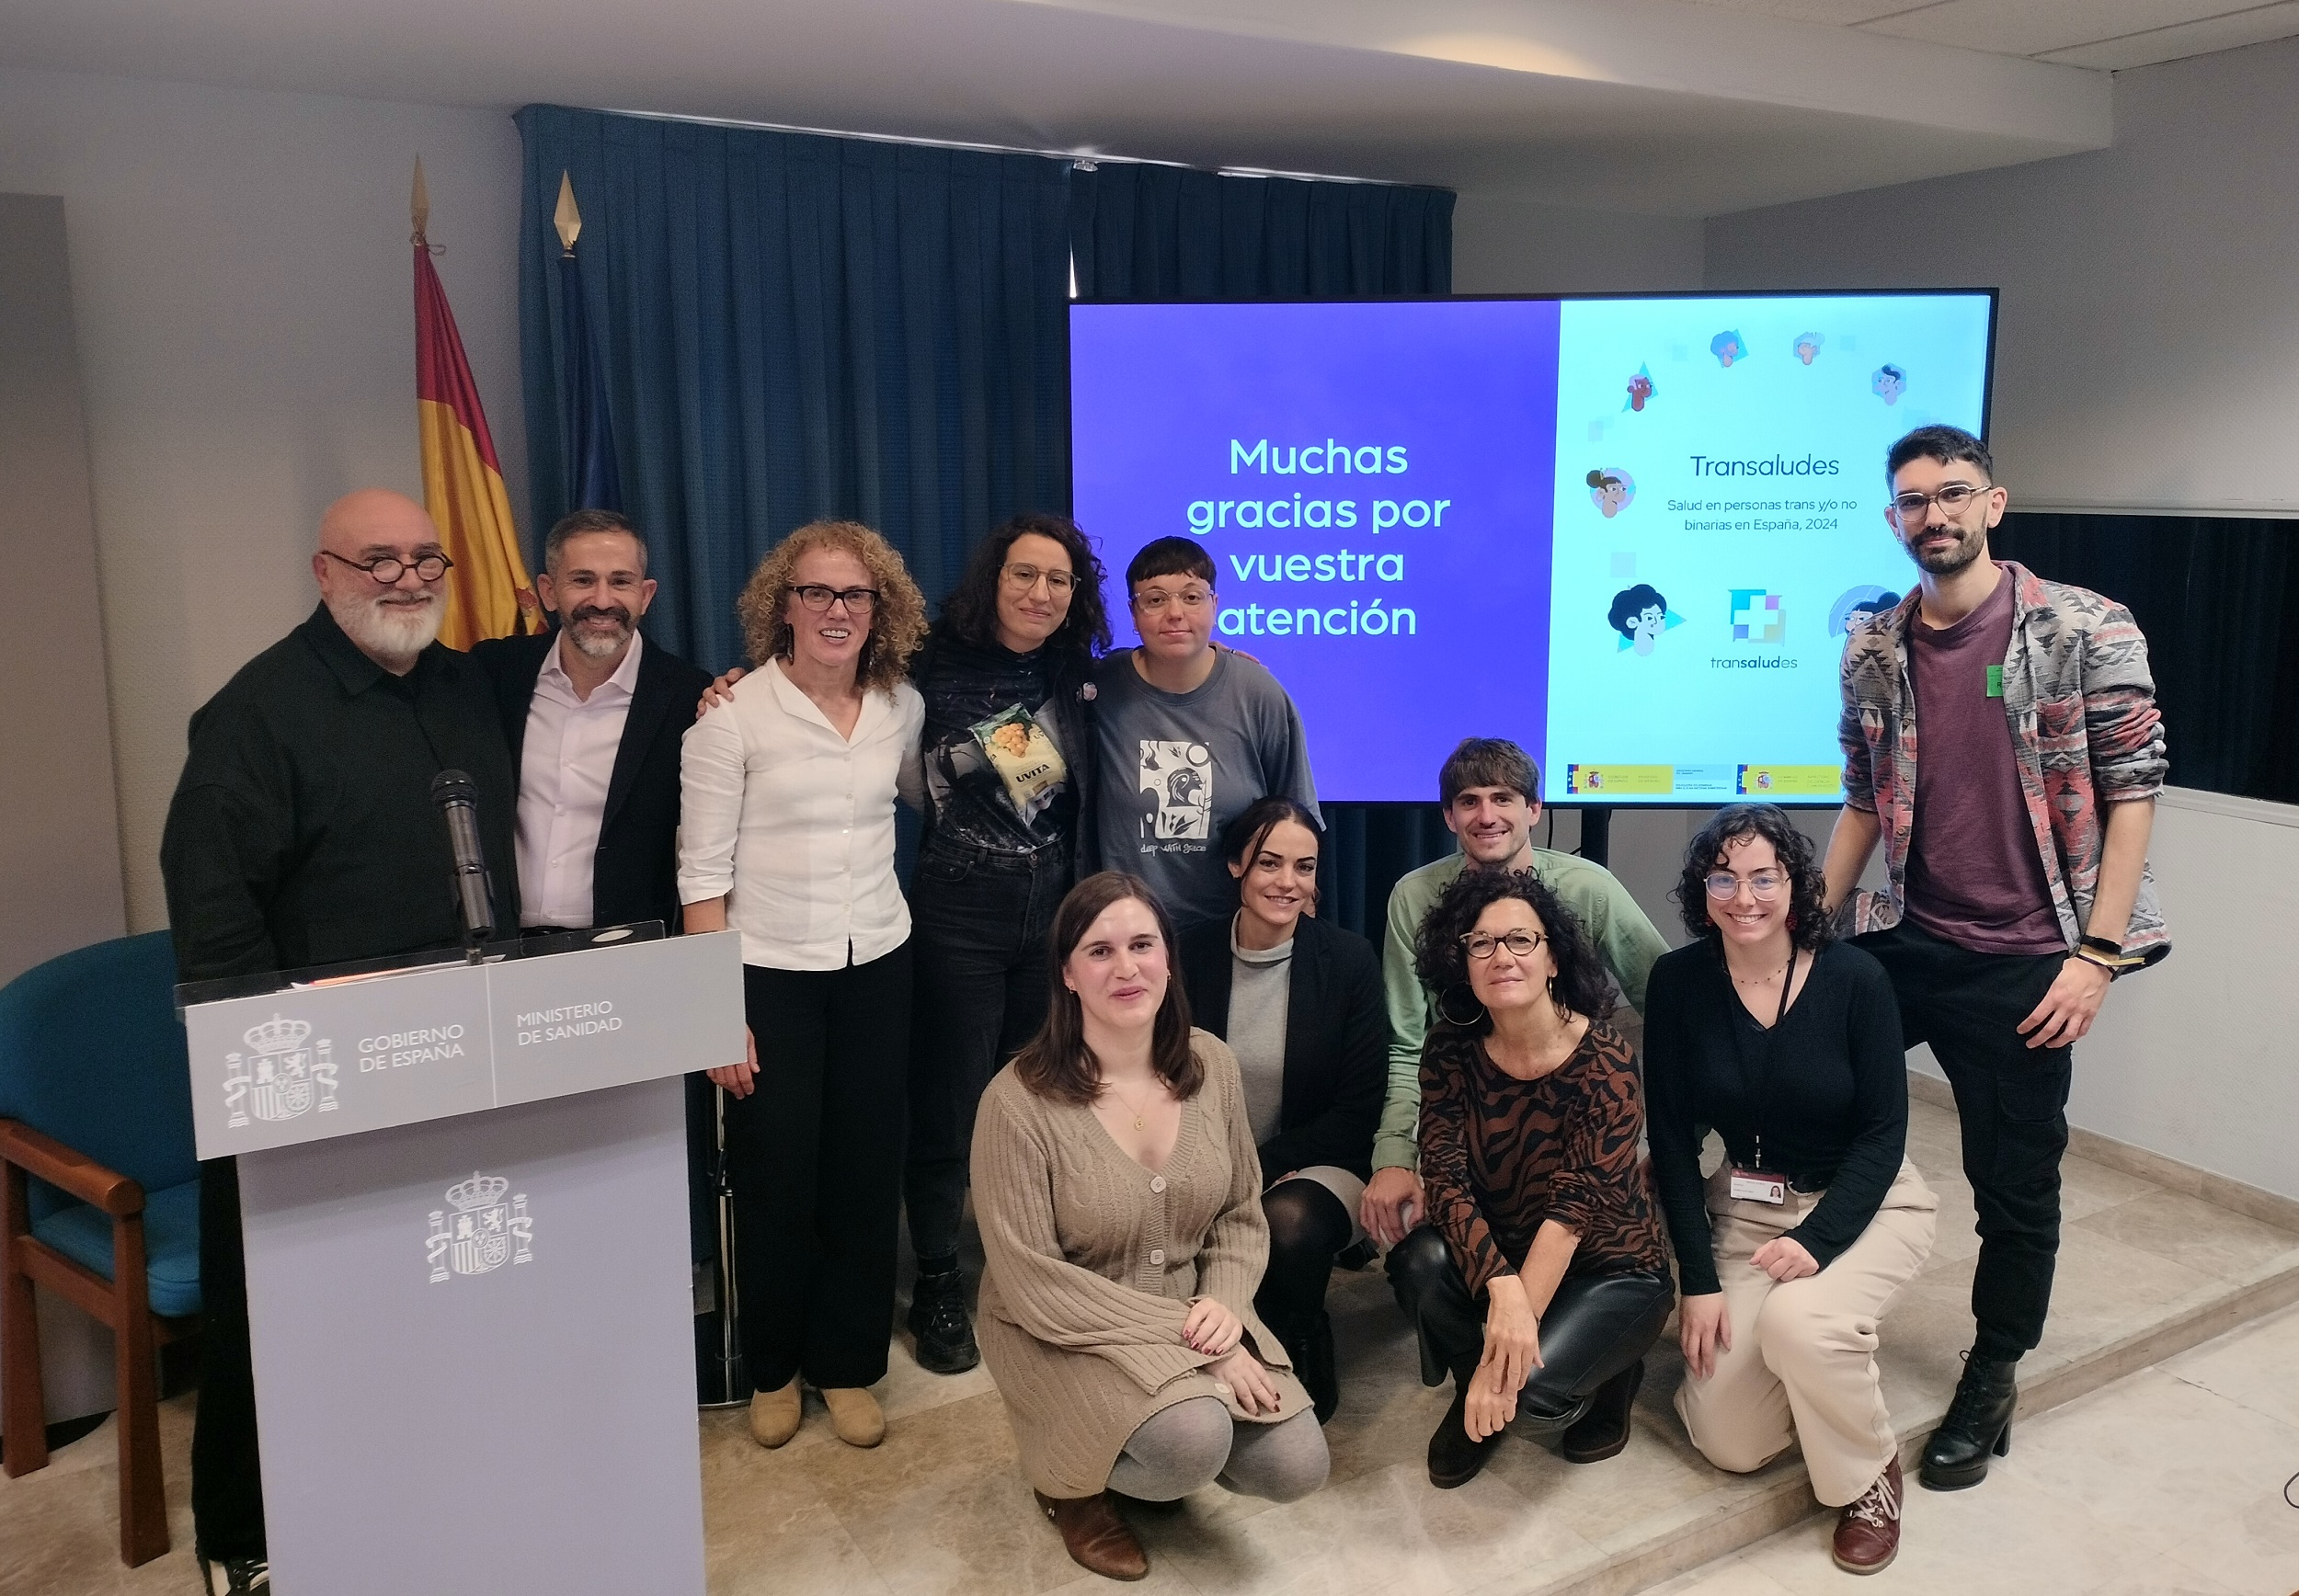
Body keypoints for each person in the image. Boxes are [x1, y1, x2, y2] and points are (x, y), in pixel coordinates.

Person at [161, 489, 520, 1594]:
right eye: (379, 561)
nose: (407, 579)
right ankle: (249, 1536)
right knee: (273, 1315)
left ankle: (411, 1492)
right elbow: (215, 911)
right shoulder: (255, 713)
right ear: (325, 572)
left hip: (463, 1046)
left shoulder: (468, 684)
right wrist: (269, 1051)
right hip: (306, 1063)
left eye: (426, 558)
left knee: (422, 1297)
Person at [1824, 424, 2167, 1492]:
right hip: (1905, 933)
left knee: (2012, 1184)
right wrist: (1808, 925)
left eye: (1953, 493)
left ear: (1994, 501)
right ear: (1893, 518)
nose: (1935, 514)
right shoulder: (1873, 644)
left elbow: (2132, 798)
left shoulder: (2085, 628)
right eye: (1914, 499)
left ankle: (1994, 1367)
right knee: (1803, 1100)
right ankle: (1799, 1306)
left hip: (2029, 957)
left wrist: (2097, 955)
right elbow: (1860, 796)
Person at [971, 872, 1329, 1582]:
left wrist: (1224, 1306)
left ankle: (1148, 1437)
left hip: (1195, 1314)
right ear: (1067, 975)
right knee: (1191, 1442)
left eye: (1142, 944)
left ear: (1169, 958)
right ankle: (1071, 1484)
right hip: (1063, 1329)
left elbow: (1240, 1214)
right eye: (1099, 952)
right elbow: (1036, 1286)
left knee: (1298, 1465)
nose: (1127, 967)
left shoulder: (1212, 1065)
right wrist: (1201, 1343)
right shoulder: (1016, 1103)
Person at [679, 519, 928, 1452]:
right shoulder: (731, 718)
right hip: (767, 975)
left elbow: (922, 797)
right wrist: (714, 1016)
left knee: (864, 1175)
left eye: (854, 594)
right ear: (781, 605)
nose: (835, 609)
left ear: (880, 609)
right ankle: (775, 1368)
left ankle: (847, 1363)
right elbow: (699, 876)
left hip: (877, 964)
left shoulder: (900, 705)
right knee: (776, 1175)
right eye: (816, 592)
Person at [1646, 805, 1938, 1576]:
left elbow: (1884, 1135)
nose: (1744, 897)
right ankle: (1814, 1369)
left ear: (1795, 884)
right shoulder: (1678, 984)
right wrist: (1699, 1284)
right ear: (1701, 890)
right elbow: (1672, 1142)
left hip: (1865, 1202)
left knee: (1801, 1326)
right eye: (1724, 877)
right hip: (1746, 1211)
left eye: (1763, 877)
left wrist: (1817, 1242)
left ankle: (1869, 1474)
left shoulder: (1855, 979)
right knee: (1732, 1445)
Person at [1386, 867, 1675, 1489]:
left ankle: (1611, 1371)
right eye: (1481, 943)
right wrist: (1502, 1288)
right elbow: (1446, 1178)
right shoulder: (1450, 1049)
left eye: (1521, 940)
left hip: (1609, 1266)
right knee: (1417, 1263)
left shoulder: (1606, 1061)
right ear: (1461, 962)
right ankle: (1476, 1386)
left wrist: (1508, 1344)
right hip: (1505, 1252)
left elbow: (1574, 1215)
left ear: (1552, 959)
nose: (1501, 957)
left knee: (1534, 1390)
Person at [901, 514, 1109, 1374]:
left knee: (1040, 1101)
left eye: (1059, 581)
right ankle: (940, 1280)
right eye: (1025, 575)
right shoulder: (922, 660)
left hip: (1053, 912)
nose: (1041, 594)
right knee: (951, 1106)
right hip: (960, 910)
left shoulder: (1076, 672)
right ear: (993, 580)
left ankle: (1028, 1267)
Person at [1362, 738, 1668, 1248]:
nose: (1487, 815)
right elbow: (1406, 1044)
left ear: (1533, 808)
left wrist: (1668, 1141)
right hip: (1465, 1114)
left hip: (1577, 1108)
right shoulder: (1413, 899)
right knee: (1425, 1259)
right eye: (1469, 801)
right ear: (1448, 817)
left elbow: (1671, 1011)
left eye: (1503, 798)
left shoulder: (1590, 889)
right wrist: (1394, 1157)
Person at [1176, 796, 1387, 1421]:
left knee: (1286, 1221)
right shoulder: (1187, 954)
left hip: (1315, 1166)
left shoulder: (1349, 961)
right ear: (1237, 865)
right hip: (1209, 1164)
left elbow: (1358, 1109)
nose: (1288, 882)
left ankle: (1299, 1334)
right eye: (1270, 863)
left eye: (1305, 867)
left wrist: (1263, 1166)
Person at [468, 509, 712, 934]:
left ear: (646, 594)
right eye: (582, 580)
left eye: (621, 581)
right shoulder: (494, 673)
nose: (602, 600)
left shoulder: (690, 697)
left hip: (629, 950)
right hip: (502, 949)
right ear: (548, 590)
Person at [1091, 535, 1320, 931]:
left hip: (1232, 934)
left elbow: (1299, 824)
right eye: (1156, 599)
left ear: (1215, 604)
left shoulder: (1258, 693)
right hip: (1125, 931)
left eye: (1192, 597)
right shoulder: (1099, 688)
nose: (1175, 613)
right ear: (1133, 612)